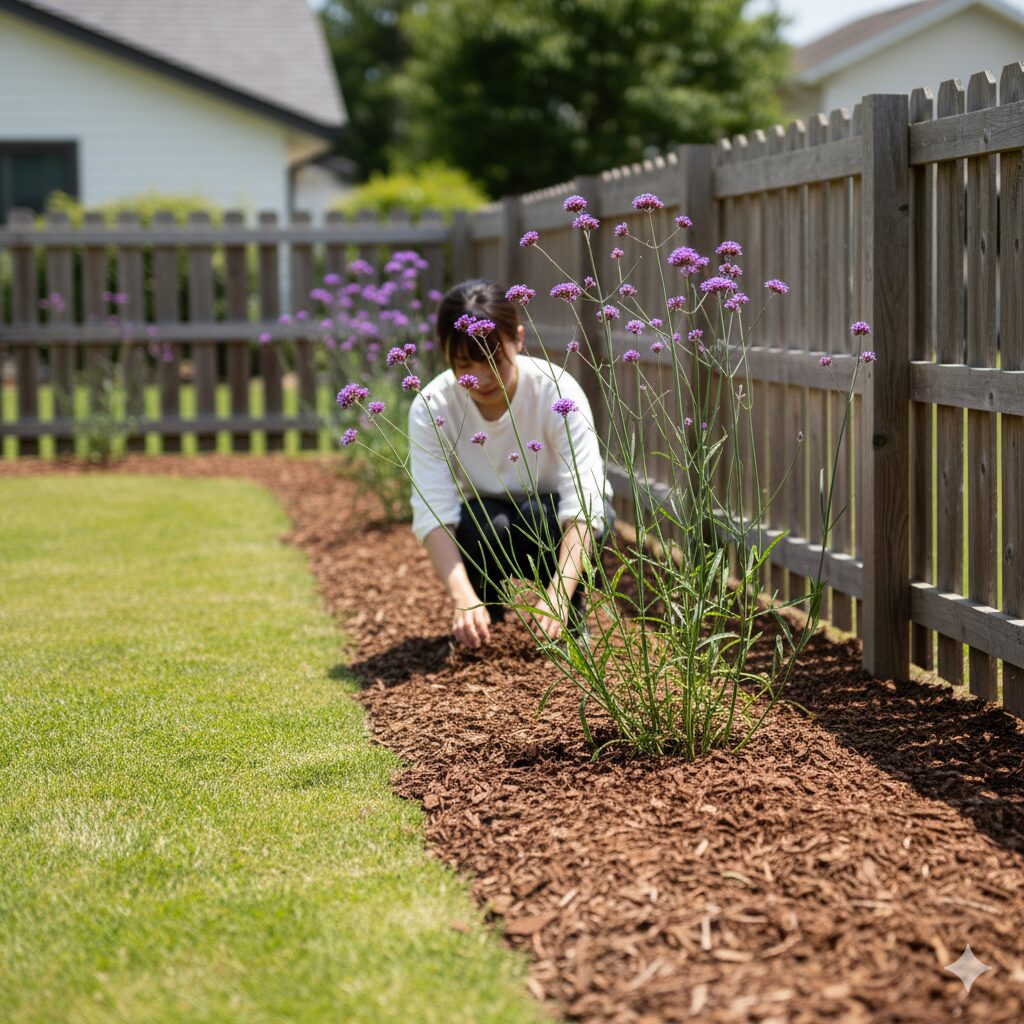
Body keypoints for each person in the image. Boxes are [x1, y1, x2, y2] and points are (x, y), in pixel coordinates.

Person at [408, 279, 613, 649]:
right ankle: (484, 619)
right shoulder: (432, 405)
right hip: (489, 520)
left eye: (494, 361)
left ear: (518, 338)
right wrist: (462, 597)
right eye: (465, 365)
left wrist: (558, 593)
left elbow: (585, 504)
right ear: (444, 352)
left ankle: (568, 615)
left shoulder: (558, 391)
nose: (482, 379)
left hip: (557, 520)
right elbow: (432, 513)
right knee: (479, 523)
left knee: (540, 516)